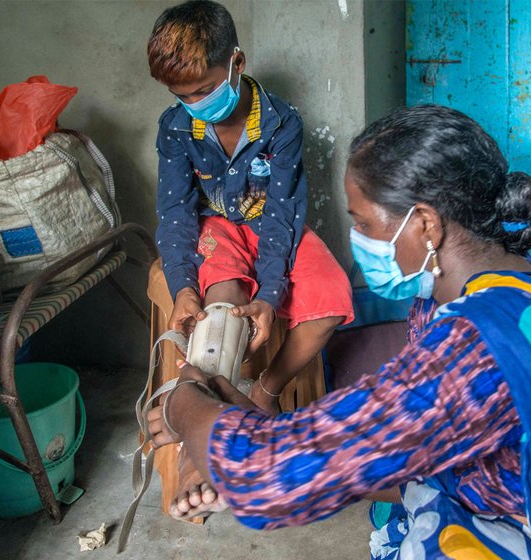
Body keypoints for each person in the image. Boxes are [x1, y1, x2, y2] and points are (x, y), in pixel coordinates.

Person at [147, 104, 531, 558]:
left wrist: (182, 405)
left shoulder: (475, 351)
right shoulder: (512, 283)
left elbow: (273, 477)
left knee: (425, 538)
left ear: (425, 224)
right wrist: (247, 446)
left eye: (364, 223)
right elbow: (415, 446)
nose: (358, 238)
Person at [146, 0, 354, 515]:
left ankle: (263, 395)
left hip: (273, 228)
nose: (193, 103)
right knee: (222, 313)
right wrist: (185, 289)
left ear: (236, 63)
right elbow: (175, 214)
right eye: (182, 95)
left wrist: (271, 294)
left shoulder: (282, 123)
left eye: (203, 91)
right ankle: (206, 442)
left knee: (331, 302)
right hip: (218, 229)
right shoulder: (176, 127)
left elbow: (283, 215)